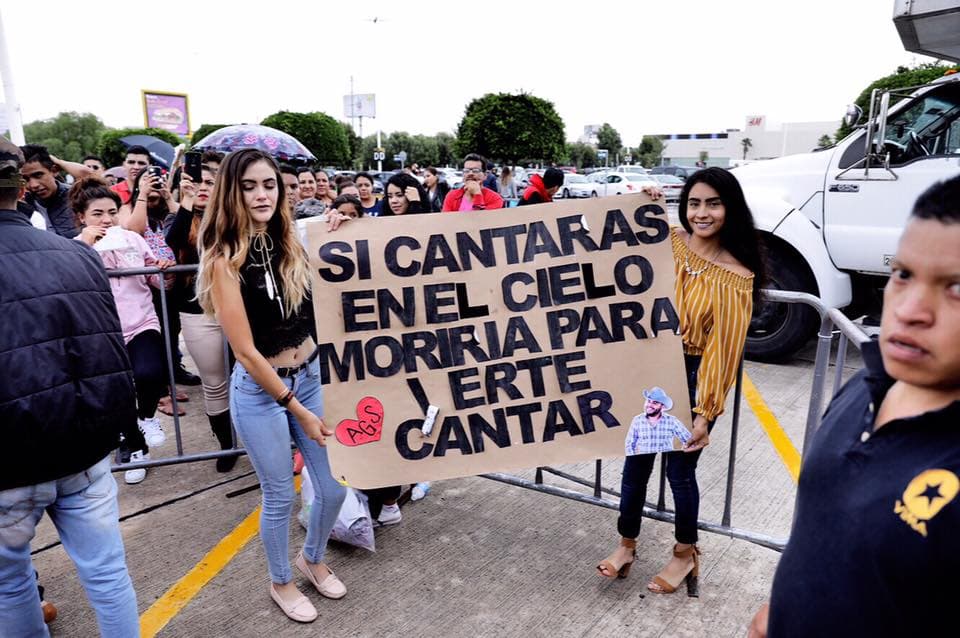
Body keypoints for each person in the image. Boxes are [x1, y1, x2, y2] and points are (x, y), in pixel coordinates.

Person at [748, 175, 960, 638]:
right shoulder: (867, 381)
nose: (909, 309)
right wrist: (782, 609)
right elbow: (825, 528)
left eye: (956, 288)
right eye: (904, 274)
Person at [196, 149, 348, 623]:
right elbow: (244, 351)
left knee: (334, 487)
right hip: (260, 392)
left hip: (310, 376)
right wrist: (295, 408)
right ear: (232, 192)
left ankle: (313, 557)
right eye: (248, 186)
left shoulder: (293, 240)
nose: (261, 194)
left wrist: (340, 226)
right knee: (280, 494)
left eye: (269, 184)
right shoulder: (223, 260)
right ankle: (281, 580)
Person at [596, 168, 765, 595]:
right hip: (650, 369)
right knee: (634, 467)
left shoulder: (735, 276)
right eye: (694, 203)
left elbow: (722, 352)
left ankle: (684, 553)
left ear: (730, 209)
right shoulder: (667, 241)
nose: (702, 213)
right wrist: (644, 202)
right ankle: (626, 545)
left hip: (690, 376)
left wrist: (705, 413)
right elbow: (610, 242)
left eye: (713, 203)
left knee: (680, 473)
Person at [0, 137, 140, 636]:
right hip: (82, 449)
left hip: (17, 462)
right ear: (20, 187)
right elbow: (108, 351)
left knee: (11, 583)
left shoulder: (77, 252)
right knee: (106, 574)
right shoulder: (74, 253)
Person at [73, 177, 175, 484]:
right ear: (82, 217)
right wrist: (86, 246)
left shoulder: (133, 238)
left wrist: (162, 271)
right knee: (117, 394)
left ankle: (147, 419)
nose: (107, 220)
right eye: (97, 214)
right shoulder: (75, 247)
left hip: (142, 320)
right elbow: (70, 283)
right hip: (103, 330)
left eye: (112, 212)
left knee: (149, 373)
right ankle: (136, 449)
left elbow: (156, 281)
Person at [166, 164, 238, 472]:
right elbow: (174, 240)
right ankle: (227, 445)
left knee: (252, 378)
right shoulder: (180, 218)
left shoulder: (235, 217)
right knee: (214, 382)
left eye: (210, 182)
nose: (202, 187)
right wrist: (186, 201)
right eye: (196, 182)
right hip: (198, 312)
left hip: (239, 309)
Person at [20, 144, 80, 237]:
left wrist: (60, 162)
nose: (33, 185)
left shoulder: (78, 196)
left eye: (38, 175)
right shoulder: (21, 206)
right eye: (25, 179)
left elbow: (93, 177)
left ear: (54, 170)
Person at [623, 388, 693, 456]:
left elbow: (689, 440)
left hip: (665, 462)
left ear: (662, 406)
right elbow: (629, 444)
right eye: (648, 401)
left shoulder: (672, 421)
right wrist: (635, 461)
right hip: (643, 463)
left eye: (655, 403)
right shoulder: (637, 420)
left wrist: (679, 457)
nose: (649, 405)